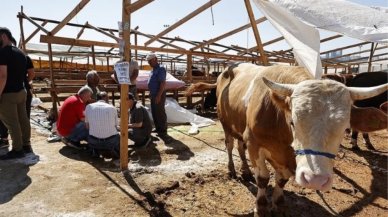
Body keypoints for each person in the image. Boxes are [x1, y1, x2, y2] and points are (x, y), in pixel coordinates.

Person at [0, 27, 32, 159]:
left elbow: (2, 76)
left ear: (3, 36)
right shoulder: (21, 53)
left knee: (11, 122)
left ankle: (17, 150)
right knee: (23, 120)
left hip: (8, 93)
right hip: (21, 91)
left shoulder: (3, 53)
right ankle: (26, 145)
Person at [85, 91, 120, 158]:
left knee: (89, 132)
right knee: (119, 136)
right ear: (106, 98)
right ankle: (116, 152)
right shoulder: (112, 108)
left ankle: (95, 150)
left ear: (96, 98)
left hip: (94, 141)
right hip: (110, 141)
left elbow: (87, 126)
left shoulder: (88, 107)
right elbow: (116, 126)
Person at [146, 52, 169, 139]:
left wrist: (159, 95)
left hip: (159, 93)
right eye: (148, 62)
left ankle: (163, 130)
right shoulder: (153, 70)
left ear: (155, 59)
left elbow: (163, 83)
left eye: (150, 61)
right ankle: (158, 128)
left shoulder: (161, 69)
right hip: (153, 94)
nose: (149, 63)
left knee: (160, 112)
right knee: (154, 112)